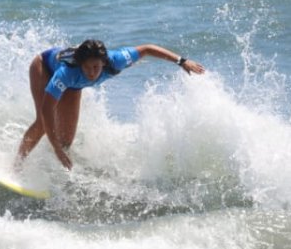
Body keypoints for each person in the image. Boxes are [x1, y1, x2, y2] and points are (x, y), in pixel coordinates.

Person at [15, 39, 206, 170]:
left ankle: (47, 167)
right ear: (81, 64)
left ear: (104, 63)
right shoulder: (66, 73)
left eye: (96, 67)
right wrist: (54, 147)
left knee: (65, 141)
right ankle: (17, 166)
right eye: (87, 67)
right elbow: (47, 109)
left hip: (74, 87)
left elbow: (147, 48)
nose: (92, 72)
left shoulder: (117, 60)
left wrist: (182, 61)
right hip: (44, 67)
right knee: (42, 122)